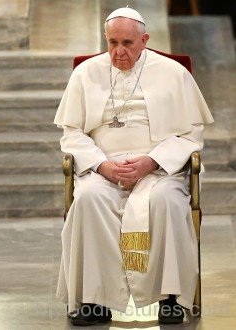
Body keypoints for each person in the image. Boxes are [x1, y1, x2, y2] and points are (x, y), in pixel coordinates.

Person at [53, 7, 214, 326]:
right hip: (103, 169)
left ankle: (171, 299)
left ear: (145, 40)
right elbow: (71, 132)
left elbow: (191, 132)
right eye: (112, 42)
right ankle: (95, 301)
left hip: (157, 171)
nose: (118, 51)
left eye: (127, 43)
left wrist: (151, 162)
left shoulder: (173, 73)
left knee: (166, 200)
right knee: (89, 200)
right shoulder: (86, 73)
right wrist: (102, 166)